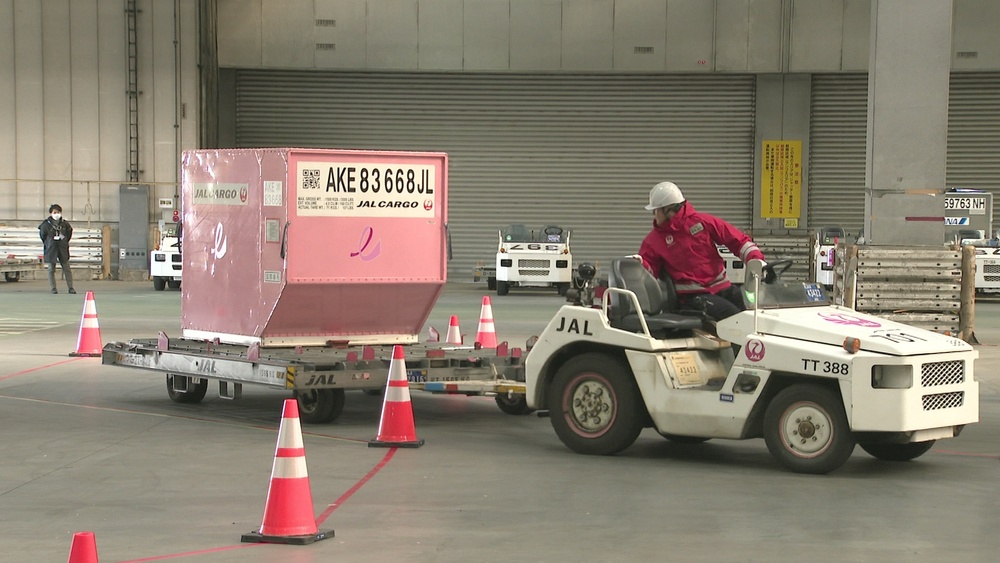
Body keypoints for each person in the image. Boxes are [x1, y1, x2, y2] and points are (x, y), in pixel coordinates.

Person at [637, 181, 764, 321]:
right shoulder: (653, 241)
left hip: (723, 289)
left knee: (756, 312)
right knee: (735, 319)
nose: (654, 215)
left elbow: (737, 241)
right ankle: (742, 343)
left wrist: (755, 260)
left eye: (655, 210)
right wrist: (639, 265)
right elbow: (648, 270)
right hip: (692, 298)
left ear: (668, 210)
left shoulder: (703, 222)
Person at [39, 203, 76, 294]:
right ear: (51, 213)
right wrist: (49, 243)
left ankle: (70, 288)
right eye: (55, 212)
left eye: (58, 212)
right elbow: (42, 235)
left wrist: (64, 241)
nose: (57, 214)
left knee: (67, 268)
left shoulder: (64, 224)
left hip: (62, 248)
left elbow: (69, 233)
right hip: (51, 248)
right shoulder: (45, 225)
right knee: (51, 269)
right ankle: (53, 288)